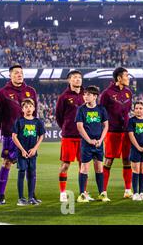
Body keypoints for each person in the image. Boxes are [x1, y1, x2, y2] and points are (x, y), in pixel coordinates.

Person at [0, 64, 38, 205]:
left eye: (21, 73)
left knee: (30, 164)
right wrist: (6, 128)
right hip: (10, 135)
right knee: (7, 163)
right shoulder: (3, 92)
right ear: (10, 75)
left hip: (28, 135)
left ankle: (31, 195)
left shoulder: (30, 91)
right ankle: (1, 195)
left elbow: (35, 113)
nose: (19, 75)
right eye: (16, 73)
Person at [100, 67, 133, 198]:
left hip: (125, 132)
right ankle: (103, 191)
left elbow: (128, 110)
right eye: (126, 76)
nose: (128, 78)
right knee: (108, 161)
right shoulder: (107, 93)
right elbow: (102, 113)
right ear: (119, 78)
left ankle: (127, 190)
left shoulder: (128, 92)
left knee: (127, 161)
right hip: (112, 132)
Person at [56, 70, 87, 203]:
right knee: (65, 165)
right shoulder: (63, 97)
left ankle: (83, 192)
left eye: (79, 77)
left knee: (84, 165)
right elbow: (59, 116)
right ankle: (62, 192)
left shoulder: (87, 95)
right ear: (69, 80)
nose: (78, 80)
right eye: (75, 77)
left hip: (84, 137)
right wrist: (67, 126)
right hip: (69, 136)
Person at [75, 85, 110, 203]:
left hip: (99, 144)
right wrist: (89, 140)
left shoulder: (101, 109)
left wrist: (101, 140)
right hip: (86, 144)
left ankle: (102, 194)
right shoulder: (81, 109)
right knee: (84, 168)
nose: (85, 96)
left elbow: (106, 125)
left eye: (88, 94)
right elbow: (79, 127)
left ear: (95, 96)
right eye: (84, 94)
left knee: (99, 168)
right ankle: (82, 194)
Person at [11, 99, 45, 206]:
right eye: (26, 107)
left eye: (30, 106)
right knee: (21, 173)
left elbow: (41, 136)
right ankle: (21, 198)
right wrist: (22, 150)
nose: (28, 108)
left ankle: (31, 198)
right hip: (22, 153)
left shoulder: (37, 122)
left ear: (34, 108)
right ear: (22, 109)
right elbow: (14, 136)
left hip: (32, 153)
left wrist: (35, 148)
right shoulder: (19, 121)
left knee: (32, 174)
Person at [127, 101, 143, 201]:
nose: (138, 110)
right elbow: (131, 134)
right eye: (136, 108)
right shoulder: (132, 121)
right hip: (135, 149)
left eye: (140, 108)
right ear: (134, 110)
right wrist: (138, 147)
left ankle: (142, 192)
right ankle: (135, 193)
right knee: (136, 170)